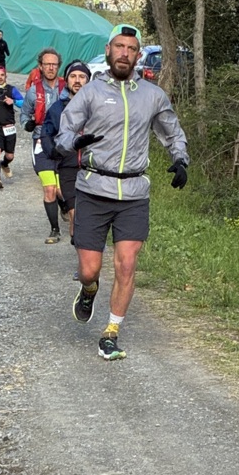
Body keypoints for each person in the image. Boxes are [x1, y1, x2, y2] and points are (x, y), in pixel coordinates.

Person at [55, 24, 189, 360]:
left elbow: (172, 132)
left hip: (133, 192)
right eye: (119, 46)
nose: (124, 53)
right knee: (89, 269)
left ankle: (111, 333)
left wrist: (180, 160)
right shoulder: (91, 92)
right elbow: (64, 132)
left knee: (127, 264)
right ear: (108, 50)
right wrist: (75, 143)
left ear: (138, 55)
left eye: (130, 48)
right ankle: (89, 289)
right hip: (93, 189)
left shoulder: (152, 95)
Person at [40, 60, 90, 253]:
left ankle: (87, 254)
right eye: (73, 76)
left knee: (88, 216)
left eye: (82, 77)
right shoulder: (57, 108)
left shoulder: (98, 106)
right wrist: (53, 152)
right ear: (67, 80)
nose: (77, 80)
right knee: (75, 214)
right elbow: (46, 133)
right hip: (68, 168)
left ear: (88, 80)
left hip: (94, 169)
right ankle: (83, 259)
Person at [22, 48, 67, 242]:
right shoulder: (33, 91)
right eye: (47, 64)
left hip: (64, 142)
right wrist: (28, 124)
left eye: (54, 64)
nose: (50, 68)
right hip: (41, 142)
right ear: (40, 66)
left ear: (58, 66)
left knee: (61, 190)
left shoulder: (67, 88)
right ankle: (55, 230)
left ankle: (64, 205)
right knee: (49, 188)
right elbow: (24, 115)